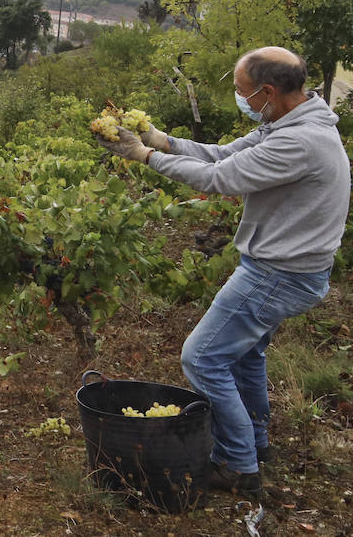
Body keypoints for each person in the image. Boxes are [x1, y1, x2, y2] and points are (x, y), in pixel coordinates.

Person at [98, 47, 349, 498]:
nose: (240, 99)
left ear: (268, 92)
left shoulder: (298, 141)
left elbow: (220, 180)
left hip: (278, 274)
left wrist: (143, 157)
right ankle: (254, 441)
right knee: (245, 355)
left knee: (203, 358)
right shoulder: (289, 123)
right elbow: (220, 155)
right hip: (290, 269)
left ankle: (237, 464)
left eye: (241, 92)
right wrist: (160, 141)